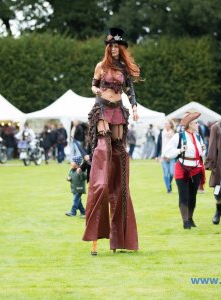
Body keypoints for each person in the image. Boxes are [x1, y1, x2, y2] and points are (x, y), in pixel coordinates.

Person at [82, 27, 139, 255]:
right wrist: (96, 88)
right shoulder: (101, 66)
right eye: (112, 46)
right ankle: (99, 176)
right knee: (104, 146)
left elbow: (130, 90)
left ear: (121, 49)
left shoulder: (123, 68)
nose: (115, 49)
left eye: (118, 47)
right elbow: (93, 84)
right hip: (102, 109)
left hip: (119, 111)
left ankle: (120, 236)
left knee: (118, 151)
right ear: (108, 48)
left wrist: (134, 107)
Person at [164, 112, 206, 229]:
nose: (198, 124)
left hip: (196, 169)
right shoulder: (179, 136)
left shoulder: (198, 137)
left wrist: (203, 149)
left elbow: (201, 152)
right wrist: (179, 150)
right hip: (182, 168)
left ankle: (191, 219)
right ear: (190, 124)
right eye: (196, 123)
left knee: (193, 196)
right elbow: (167, 151)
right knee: (184, 196)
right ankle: (185, 221)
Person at [156, 120, 176, 193]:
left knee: (171, 173)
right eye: (165, 124)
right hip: (163, 156)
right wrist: (156, 155)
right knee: (166, 173)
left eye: (167, 124)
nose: (165, 125)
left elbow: (176, 145)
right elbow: (158, 144)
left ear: (170, 125)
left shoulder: (174, 134)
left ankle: (169, 184)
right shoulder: (161, 133)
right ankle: (168, 188)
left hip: (171, 156)